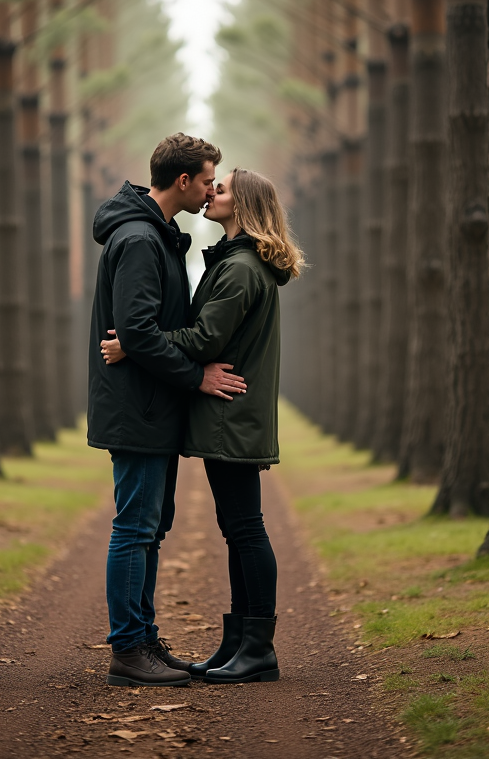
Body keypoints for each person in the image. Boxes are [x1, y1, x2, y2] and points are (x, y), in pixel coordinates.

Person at [101, 167, 302, 684]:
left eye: (224, 188)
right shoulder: (237, 261)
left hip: (230, 418)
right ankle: (239, 644)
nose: (214, 192)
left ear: (245, 206)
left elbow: (206, 337)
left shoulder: (239, 268)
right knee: (239, 528)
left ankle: (256, 650)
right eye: (214, 183)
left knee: (245, 529)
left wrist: (135, 343)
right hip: (229, 418)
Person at [88, 134, 248, 688]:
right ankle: (128, 649)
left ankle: (144, 637)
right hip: (138, 407)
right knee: (135, 528)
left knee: (151, 528)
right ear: (183, 180)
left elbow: (143, 330)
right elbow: (135, 330)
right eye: (207, 179)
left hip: (152, 405)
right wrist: (196, 376)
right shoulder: (138, 239)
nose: (210, 190)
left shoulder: (156, 236)